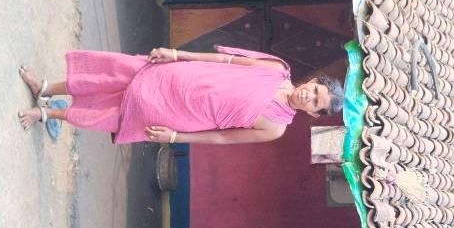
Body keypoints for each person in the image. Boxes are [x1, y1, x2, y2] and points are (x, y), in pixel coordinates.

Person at [18, 45, 344, 145]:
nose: (309, 97)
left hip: (181, 115)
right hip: (180, 77)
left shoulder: (275, 128)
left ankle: (47, 114)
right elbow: (226, 61)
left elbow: (223, 138)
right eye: (315, 91)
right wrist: (177, 54)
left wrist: (175, 137)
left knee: (114, 116)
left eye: (316, 103)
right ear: (313, 80)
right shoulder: (276, 68)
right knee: (113, 76)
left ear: (313, 114)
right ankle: (45, 88)